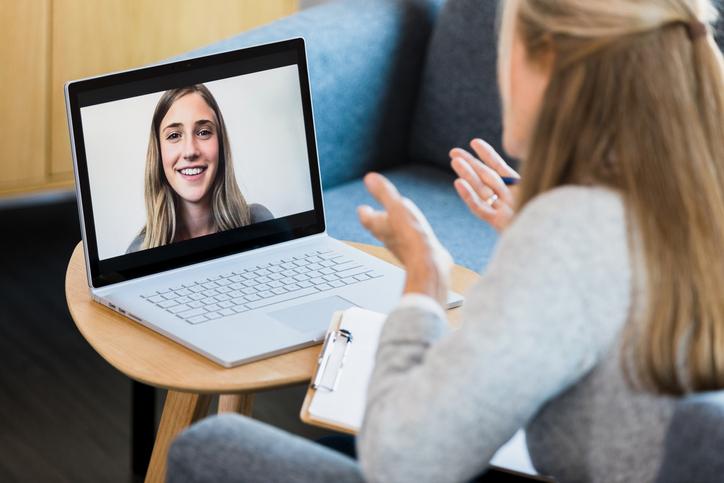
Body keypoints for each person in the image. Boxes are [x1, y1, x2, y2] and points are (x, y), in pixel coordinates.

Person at [166, 0, 724, 481]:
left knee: (209, 450)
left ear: (547, 59)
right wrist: (533, 236)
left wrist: (424, 283)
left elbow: (404, 463)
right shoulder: (689, 194)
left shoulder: (571, 234)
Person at [127, 84, 273, 253]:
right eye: (174, 135)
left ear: (220, 145)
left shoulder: (259, 221)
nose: (190, 151)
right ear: (158, 153)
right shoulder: (138, 251)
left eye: (203, 132)